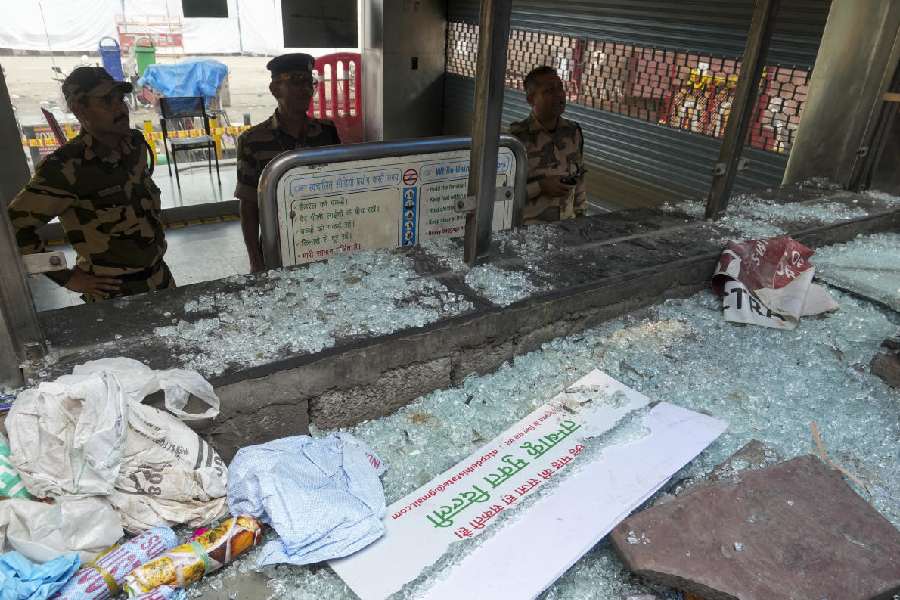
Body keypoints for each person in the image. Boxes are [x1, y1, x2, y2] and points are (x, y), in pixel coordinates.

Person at [7, 67, 172, 303]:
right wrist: (66, 278)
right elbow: (13, 228)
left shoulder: (134, 146)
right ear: (79, 109)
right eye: (106, 101)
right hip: (113, 294)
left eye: (120, 99)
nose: (120, 108)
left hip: (161, 279)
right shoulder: (65, 168)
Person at [235, 53, 341, 272]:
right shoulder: (252, 140)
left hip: (325, 239)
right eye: (295, 81)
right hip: (278, 248)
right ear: (275, 89)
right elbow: (248, 206)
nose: (305, 89)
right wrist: (256, 261)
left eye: (309, 82)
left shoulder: (327, 132)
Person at [508, 66, 587, 224]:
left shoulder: (573, 132)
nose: (559, 95)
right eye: (549, 91)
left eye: (560, 88)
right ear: (531, 99)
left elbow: (580, 179)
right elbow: (502, 195)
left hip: (567, 228)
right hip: (529, 233)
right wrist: (540, 187)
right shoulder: (515, 140)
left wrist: (581, 217)